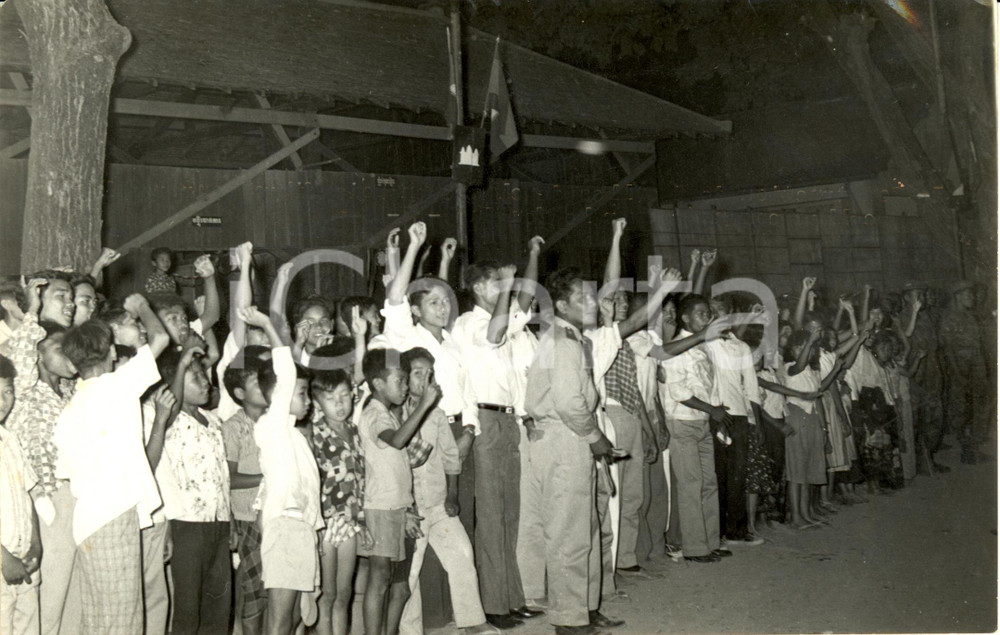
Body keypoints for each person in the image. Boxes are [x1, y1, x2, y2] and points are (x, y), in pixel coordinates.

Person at [53, 293, 170, 634]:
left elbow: (66, 472)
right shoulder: (117, 385)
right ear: (112, 353)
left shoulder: (70, 409)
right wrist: (140, 306)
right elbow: (160, 338)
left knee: (98, 619)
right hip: (114, 514)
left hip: (87, 521)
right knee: (122, 620)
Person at [524, 266, 624, 635]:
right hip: (564, 438)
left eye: (592, 296)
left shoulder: (573, 340)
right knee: (569, 533)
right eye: (583, 298)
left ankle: (586, 608)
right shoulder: (562, 342)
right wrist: (596, 437)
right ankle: (569, 619)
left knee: (587, 528)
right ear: (563, 306)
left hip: (572, 438)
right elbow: (568, 403)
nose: (593, 303)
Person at [451, 258, 536, 628]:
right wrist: (508, 286)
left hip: (507, 419)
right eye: (494, 283)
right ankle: (492, 604)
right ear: (477, 288)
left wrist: (530, 260)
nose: (503, 289)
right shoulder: (468, 323)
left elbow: (525, 303)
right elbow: (494, 335)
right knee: (489, 515)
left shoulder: (504, 317)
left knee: (508, 513)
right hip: (484, 418)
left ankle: (511, 597)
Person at [397, 348, 497, 635]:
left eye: (429, 374)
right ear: (404, 377)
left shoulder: (437, 414)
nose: (424, 380)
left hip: (438, 503)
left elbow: (451, 457)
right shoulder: (395, 414)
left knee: (462, 554)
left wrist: (452, 495)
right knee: (411, 571)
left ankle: (473, 622)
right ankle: (409, 631)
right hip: (410, 508)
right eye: (418, 373)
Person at [241, 304, 323, 635]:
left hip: (302, 529)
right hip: (286, 529)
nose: (309, 401)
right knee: (280, 619)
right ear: (279, 395)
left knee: (298, 618)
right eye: (302, 394)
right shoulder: (271, 427)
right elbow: (286, 373)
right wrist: (266, 324)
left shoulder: (293, 435)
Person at [4, 279, 79, 635]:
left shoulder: (70, 392)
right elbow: (18, 359)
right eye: (61, 348)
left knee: (74, 596)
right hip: (45, 502)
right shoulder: (24, 392)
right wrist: (31, 313)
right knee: (50, 597)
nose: (71, 355)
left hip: (76, 497)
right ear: (37, 353)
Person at [151, 345, 232, 635]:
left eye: (204, 375)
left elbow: (222, 475)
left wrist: (230, 519)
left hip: (219, 522)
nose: (205, 382)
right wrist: (184, 359)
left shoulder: (214, 421)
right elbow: (170, 409)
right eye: (195, 376)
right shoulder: (170, 420)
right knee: (188, 608)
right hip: (187, 524)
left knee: (218, 605)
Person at [358, 348, 438, 635]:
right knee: (380, 579)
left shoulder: (389, 414)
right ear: (378, 383)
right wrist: (424, 406)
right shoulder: (373, 413)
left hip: (400, 506)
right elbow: (397, 441)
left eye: (406, 380)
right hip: (380, 507)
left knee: (401, 586)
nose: (405, 387)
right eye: (399, 381)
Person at [660, 294, 731, 562]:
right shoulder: (677, 347)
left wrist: (715, 414)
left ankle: (711, 542)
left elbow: (709, 385)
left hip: (701, 421)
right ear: (685, 317)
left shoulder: (703, 346)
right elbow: (678, 391)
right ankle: (694, 548)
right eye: (701, 314)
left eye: (708, 314)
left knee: (709, 483)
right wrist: (712, 409)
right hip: (681, 422)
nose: (707, 318)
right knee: (691, 485)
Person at [309, 367, 365, 635]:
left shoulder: (354, 431)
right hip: (325, 521)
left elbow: (360, 481)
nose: (339, 404)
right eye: (331, 398)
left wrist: (363, 521)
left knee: (344, 594)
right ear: (317, 401)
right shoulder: (315, 434)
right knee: (327, 594)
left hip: (350, 521)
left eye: (344, 395)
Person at [221, 346, 271, 635]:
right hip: (247, 516)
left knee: (267, 584)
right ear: (240, 393)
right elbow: (227, 478)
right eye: (256, 382)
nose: (264, 385)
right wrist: (267, 476)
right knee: (252, 585)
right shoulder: (233, 428)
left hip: (272, 513)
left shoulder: (274, 422)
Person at [1, 355, 42, 635]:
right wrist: (4, 559)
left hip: (24, 560)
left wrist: (36, 545)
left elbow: (27, 498)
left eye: (7, 392)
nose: (3, 401)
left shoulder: (10, 439)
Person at [939, 280, 991, 464]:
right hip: (962, 369)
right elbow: (948, 349)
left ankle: (974, 445)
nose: (972, 297)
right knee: (962, 409)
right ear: (958, 297)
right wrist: (958, 374)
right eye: (968, 294)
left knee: (979, 405)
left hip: (976, 367)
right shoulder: (950, 318)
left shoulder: (970, 316)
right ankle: (966, 449)